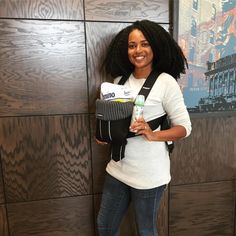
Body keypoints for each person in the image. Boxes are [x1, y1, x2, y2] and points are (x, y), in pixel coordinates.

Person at [96, 20, 192, 236]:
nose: (137, 50)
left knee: (145, 231)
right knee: (105, 227)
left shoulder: (166, 82)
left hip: (150, 175)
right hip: (117, 169)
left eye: (144, 44)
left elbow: (185, 128)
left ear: (155, 47)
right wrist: (105, 134)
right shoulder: (118, 82)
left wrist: (153, 134)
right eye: (132, 45)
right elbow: (114, 121)